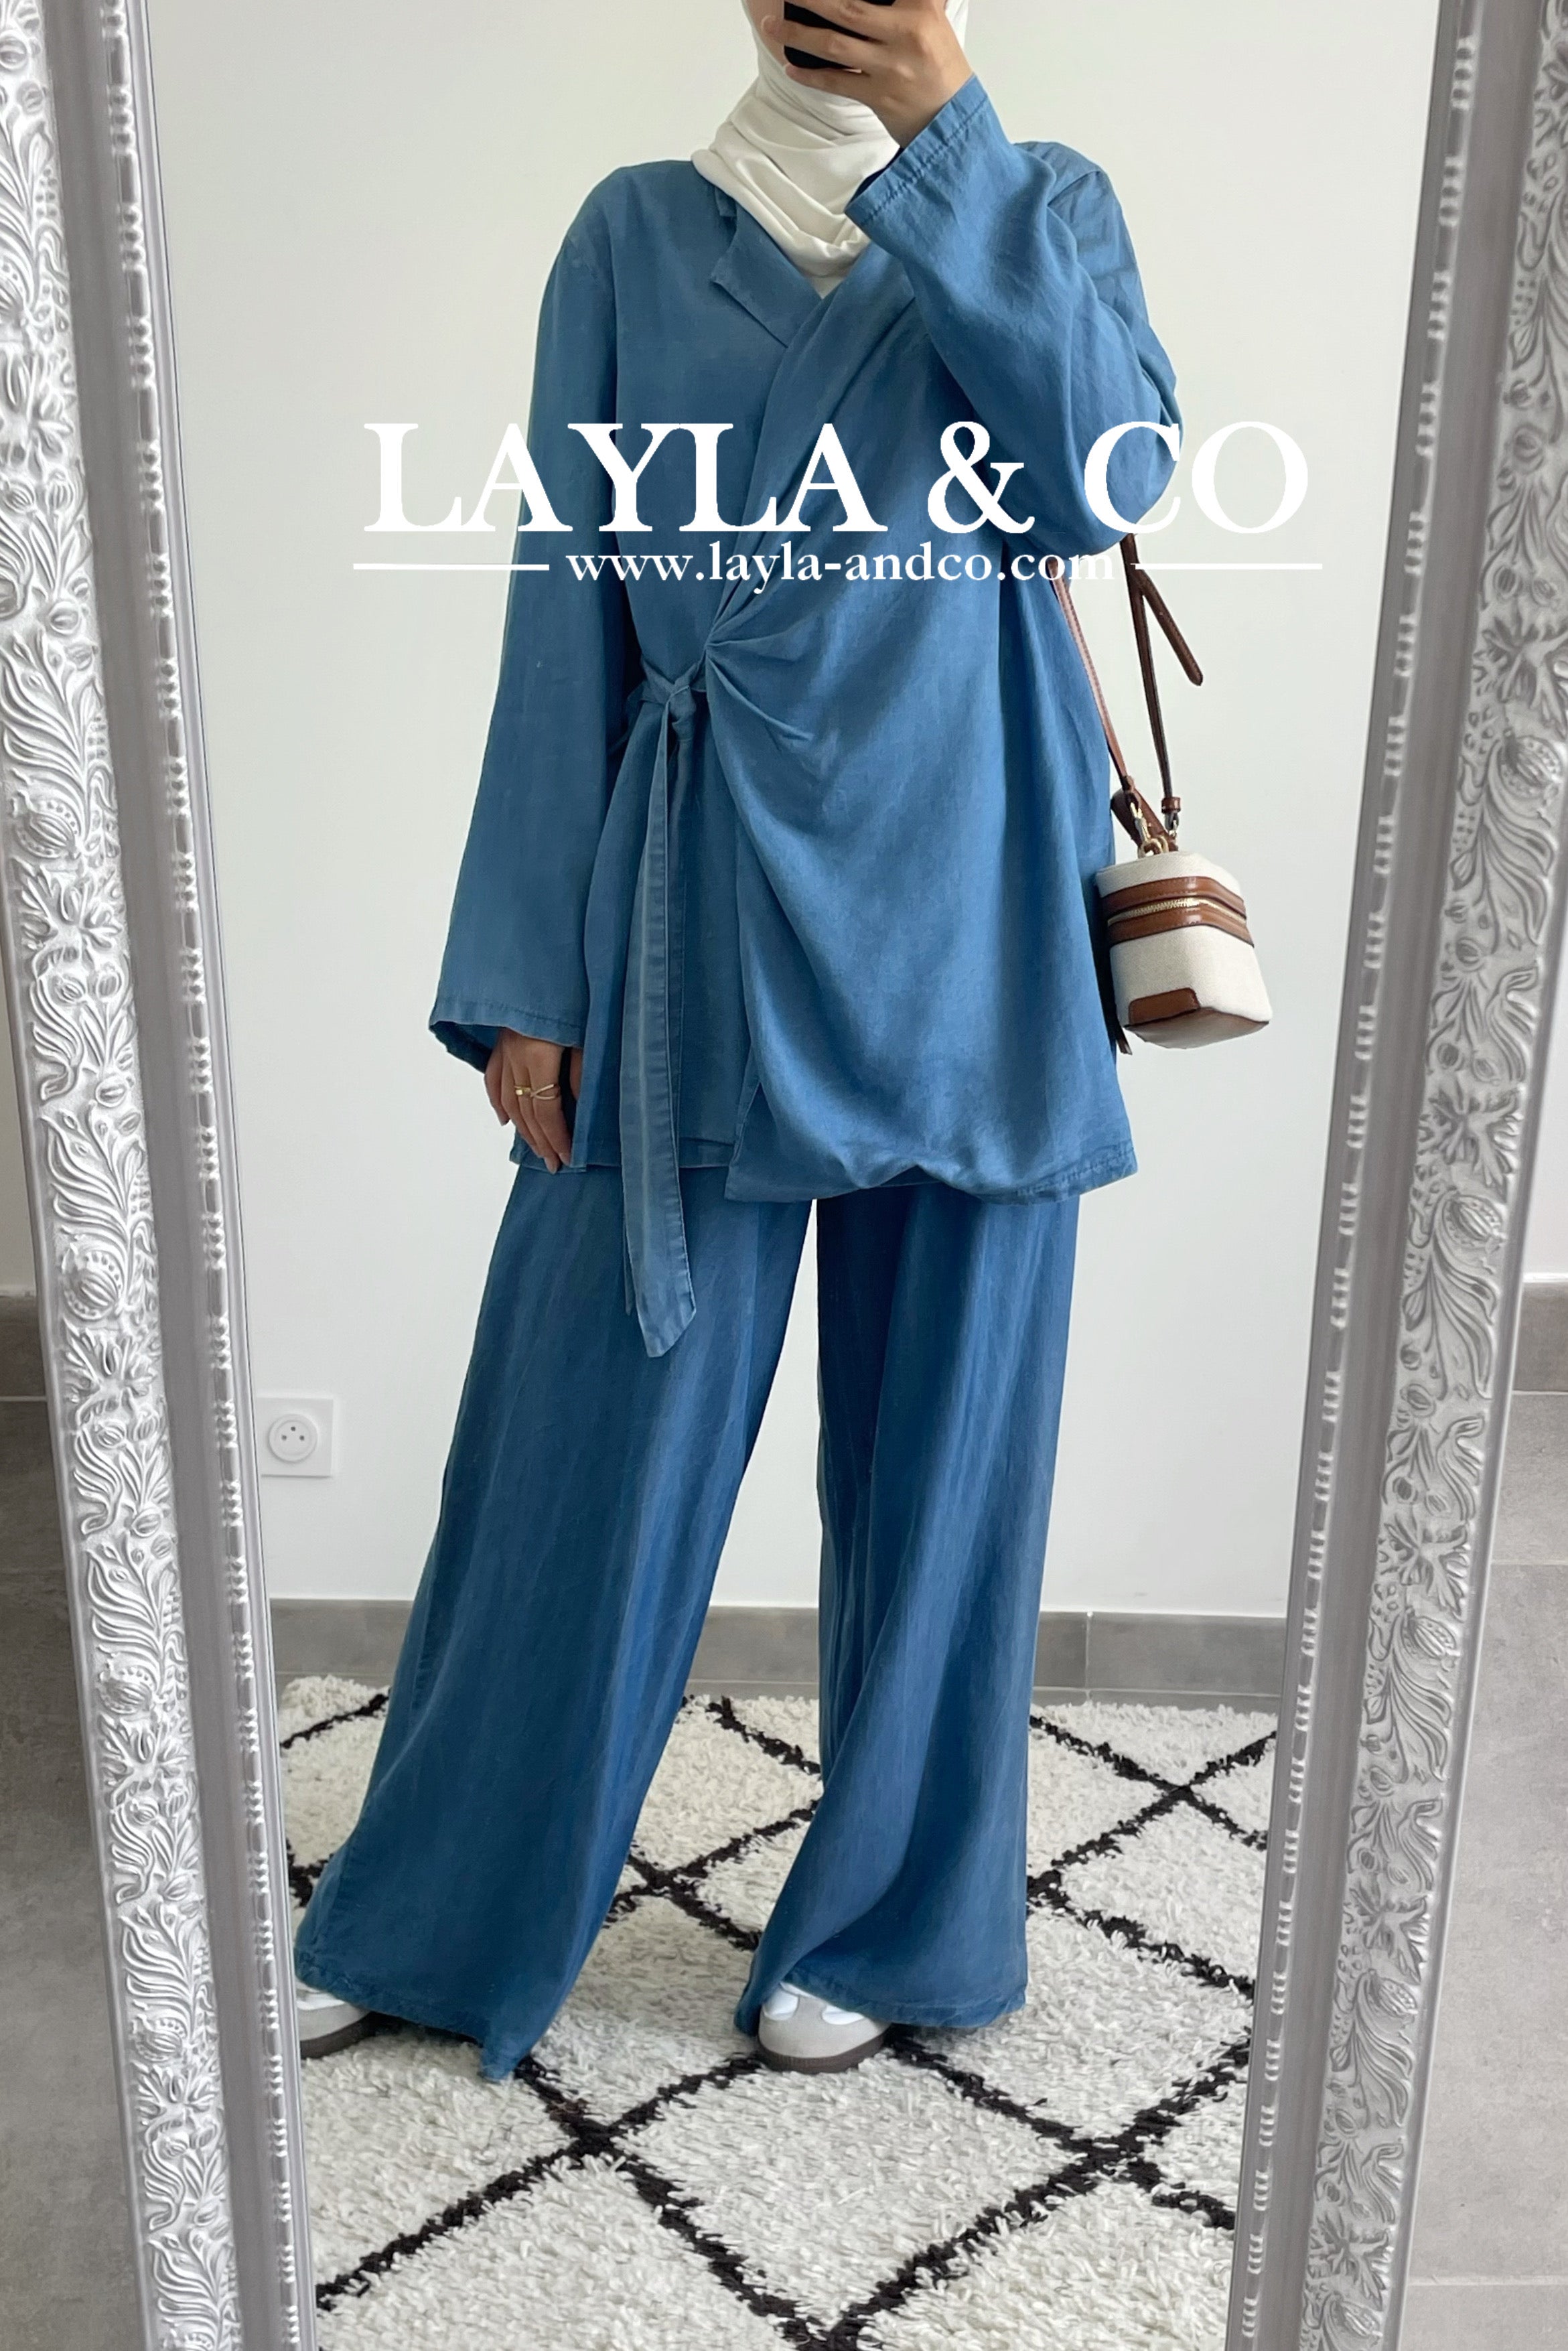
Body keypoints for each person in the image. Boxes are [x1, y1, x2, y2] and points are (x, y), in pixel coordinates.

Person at [294, 0, 1178, 2079]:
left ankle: (893, 1931)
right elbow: (564, 599)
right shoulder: (630, 235)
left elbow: (1104, 486)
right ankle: (441, 1914)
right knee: (578, 1442)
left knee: (947, 1458)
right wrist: (531, 970)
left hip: (973, 891)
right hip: (691, 898)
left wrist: (954, 144)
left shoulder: (1045, 204)